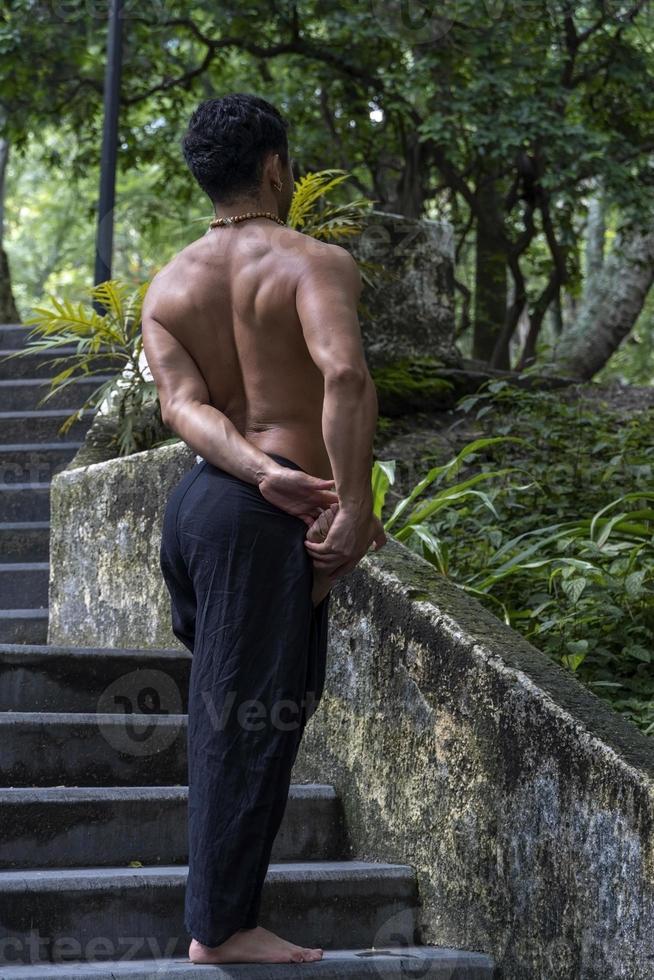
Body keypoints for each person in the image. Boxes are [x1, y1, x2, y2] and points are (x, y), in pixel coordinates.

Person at [141, 92, 386, 967]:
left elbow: (182, 406)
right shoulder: (314, 263)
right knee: (244, 721)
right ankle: (221, 930)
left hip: (204, 508)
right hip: (258, 528)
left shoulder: (168, 286)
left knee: (245, 712)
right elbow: (345, 376)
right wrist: (350, 503)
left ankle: (225, 913)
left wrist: (254, 470)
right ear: (277, 168)